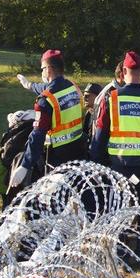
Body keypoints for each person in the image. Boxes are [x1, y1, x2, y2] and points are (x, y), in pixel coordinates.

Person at [90, 51, 140, 205]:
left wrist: (96, 163)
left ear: (124, 72)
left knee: (120, 212)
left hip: (120, 166)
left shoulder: (112, 99)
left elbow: (100, 137)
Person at [12, 50, 87, 189]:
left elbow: (38, 134)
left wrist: (25, 165)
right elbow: (46, 87)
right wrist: (29, 85)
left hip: (58, 156)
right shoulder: (72, 87)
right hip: (78, 148)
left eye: (42, 68)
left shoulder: (46, 100)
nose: (42, 72)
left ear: (49, 69)